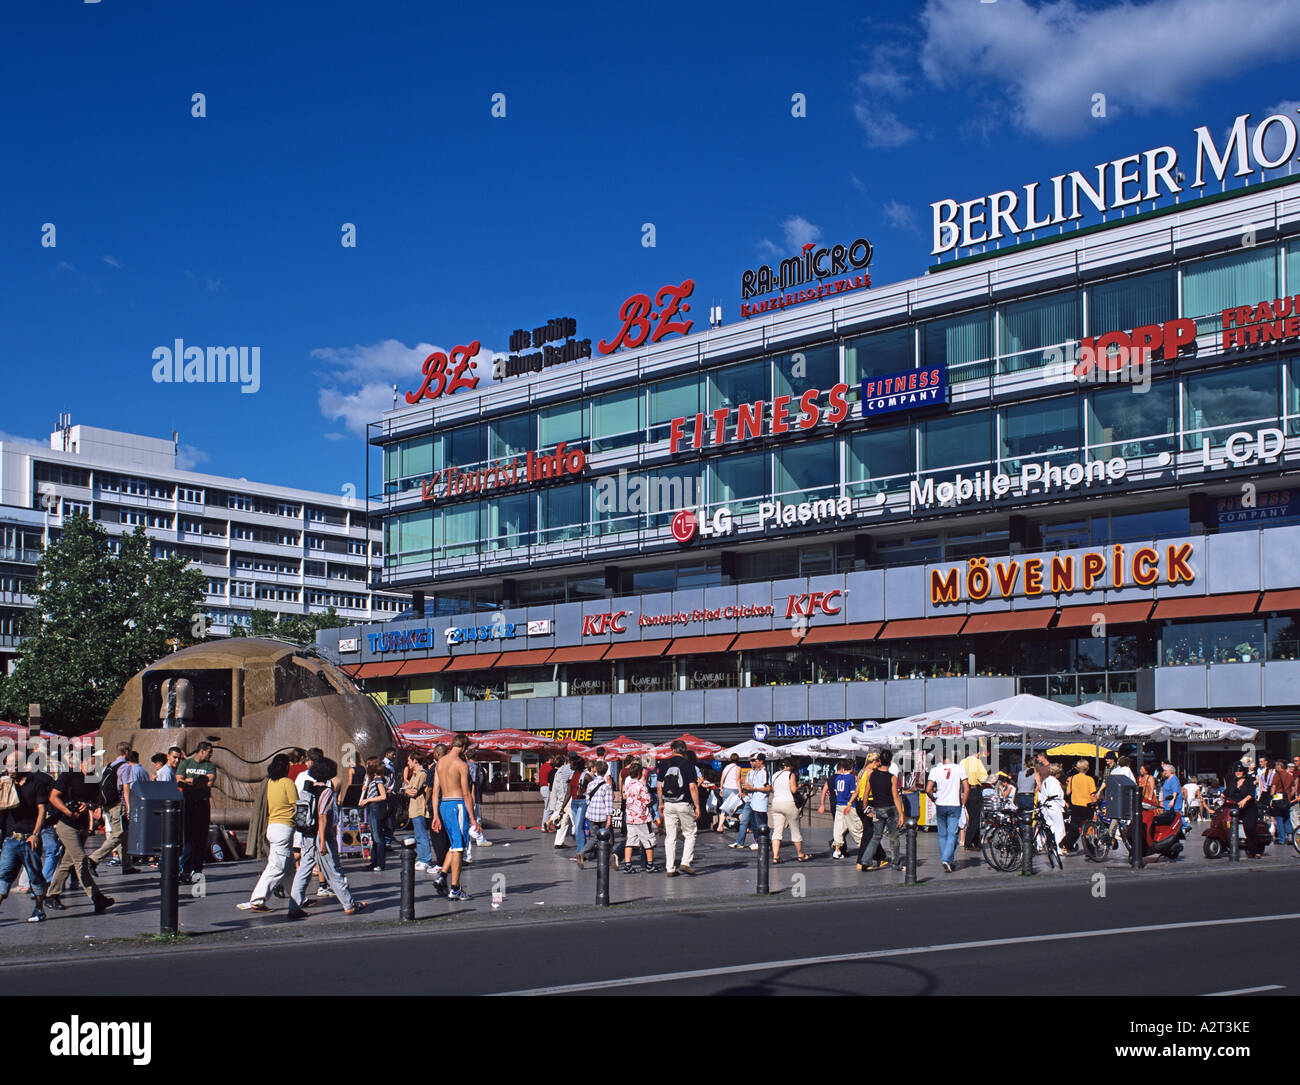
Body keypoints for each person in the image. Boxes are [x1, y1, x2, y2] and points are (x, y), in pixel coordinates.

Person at [289, 755, 366, 915]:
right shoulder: (326, 791)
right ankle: (349, 904)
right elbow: (323, 816)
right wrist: (323, 842)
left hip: (307, 834)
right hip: (321, 835)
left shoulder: (307, 788)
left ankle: (294, 905)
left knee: (304, 869)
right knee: (333, 869)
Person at [44, 750, 113, 915]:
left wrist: (93, 807)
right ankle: (97, 897)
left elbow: (96, 799)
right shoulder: (69, 775)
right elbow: (53, 797)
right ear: (84, 760)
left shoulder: (93, 778)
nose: (96, 762)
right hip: (66, 824)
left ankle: (52, 895)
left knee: (68, 863)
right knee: (81, 859)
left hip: (81, 826)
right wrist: (68, 812)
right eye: (93, 758)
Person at [238, 754, 299, 913]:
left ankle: (299, 898)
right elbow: (296, 807)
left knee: (289, 868)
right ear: (286, 767)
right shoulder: (288, 783)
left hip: (272, 827)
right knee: (276, 867)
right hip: (284, 828)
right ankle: (257, 900)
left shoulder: (270, 783)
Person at [430, 734, 482, 901]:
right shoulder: (461, 764)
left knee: (454, 843)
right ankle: (455, 888)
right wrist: (473, 819)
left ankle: (442, 876)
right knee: (459, 848)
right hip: (457, 804)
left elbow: (435, 791)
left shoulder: (440, 763)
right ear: (465, 748)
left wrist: (435, 815)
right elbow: (466, 793)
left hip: (444, 805)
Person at [0, 751, 50, 922]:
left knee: (35, 875)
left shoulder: (36, 783)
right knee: (4, 874)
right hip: (11, 838)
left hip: (29, 838)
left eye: (13, 765)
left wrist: (36, 834)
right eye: (7, 765)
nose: (9, 769)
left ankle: (39, 908)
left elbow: (42, 810)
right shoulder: (6, 783)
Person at [88, 742, 136, 875]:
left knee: (124, 834)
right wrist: (129, 808)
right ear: (126, 752)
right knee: (117, 835)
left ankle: (127, 865)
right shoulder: (125, 766)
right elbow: (126, 789)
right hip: (118, 805)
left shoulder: (110, 766)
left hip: (108, 805)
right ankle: (93, 859)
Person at [657, 739, 700, 875]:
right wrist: (697, 806)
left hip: (668, 804)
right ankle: (685, 862)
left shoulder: (664, 763)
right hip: (684, 803)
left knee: (670, 837)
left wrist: (660, 803)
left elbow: (659, 786)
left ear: (672, 750)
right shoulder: (689, 765)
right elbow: (692, 787)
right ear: (685, 751)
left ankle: (670, 868)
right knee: (690, 833)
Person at [859, 749, 905, 871]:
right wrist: (901, 814)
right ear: (890, 762)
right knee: (893, 837)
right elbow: (895, 796)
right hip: (890, 809)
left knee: (876, 836)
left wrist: (865, 807)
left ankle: (865, 860)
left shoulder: (871, 775)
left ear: (879, 761)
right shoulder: (892, 778)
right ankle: (895, 864)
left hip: (877, 809)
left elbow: (866, 793)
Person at [177, 742, 216, 883]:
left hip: (203, 803)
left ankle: (197, 868)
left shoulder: (210, 765)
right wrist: (197, 782)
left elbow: (209, 782)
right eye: (209, 752)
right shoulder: (186, 763)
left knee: (201, 837)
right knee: (188, 837)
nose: (211, 754)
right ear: (201, 751)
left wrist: (190, 782)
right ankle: (186, 869)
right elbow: (179, 781)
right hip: (188, 804)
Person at [926, 746, 968, 873]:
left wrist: (933, 799)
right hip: (955, 805)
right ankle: (946, 859)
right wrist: (963, 804)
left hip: (940, 804)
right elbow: (966, 789)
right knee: (952, 835)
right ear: (954, 756)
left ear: (940, 757)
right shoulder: (960, 769)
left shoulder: (935, 770)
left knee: (942, 835)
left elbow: (928, 789)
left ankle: (948, 860)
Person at [766, 757, 808, 863]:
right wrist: (799, 786)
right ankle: (800, 854)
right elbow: (793, 790)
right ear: (791, 766)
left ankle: (775, 857)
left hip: (776, 803)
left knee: (777, 831)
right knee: (795, 830)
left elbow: (773, 789)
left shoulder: (774, 775)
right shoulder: (791, 774)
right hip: (789, 803)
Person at [620, 762, 661, 873]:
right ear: (639, 773)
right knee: (648, 841)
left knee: (630, 841)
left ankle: (628, 864)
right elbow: (647, 800)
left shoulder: (628, 785)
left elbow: (625, 796)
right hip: (642, 817)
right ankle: (650, 864)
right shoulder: (640, 786)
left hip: (630, 817)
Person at [820, 759, 862, 859]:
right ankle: (863, 848)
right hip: (848, 805)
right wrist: (850, 802)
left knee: (838, 828)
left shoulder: (837, 778)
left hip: (838, 805)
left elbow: (836, 792)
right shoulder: (851, 778)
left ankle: (837, 850)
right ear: (851, 768)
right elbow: (853, 792)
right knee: (856, 828)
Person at [731, 754, 770, 850]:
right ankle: (758, 842)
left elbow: (768, 788)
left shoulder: (764, 772)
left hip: (760, 802)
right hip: (753, 801)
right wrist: (747, 789)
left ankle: (764, 843)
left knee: (761, 824)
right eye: (752, 760)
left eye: (755, 760)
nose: (753, 762)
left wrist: (753, 788)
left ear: (761, 761)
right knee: (754, 823)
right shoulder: (754, 772)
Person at [580, 760, 614, 870]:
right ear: (605, 771)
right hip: (603, 815)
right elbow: (608, 804)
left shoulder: (591, 783)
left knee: (594, 837)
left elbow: (587, 799)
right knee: (608, 839)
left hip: (591, 814)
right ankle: (606, 860)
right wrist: (609, 817)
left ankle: (582, 852)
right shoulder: (607, 786)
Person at [1223, 762, 1262, 859]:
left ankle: (1254, 851)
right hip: (1235, 807)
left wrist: (1244, 801)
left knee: (1248, 828)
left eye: (1240, 771)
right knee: (1225, 823)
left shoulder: (1249, 780)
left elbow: (1251, 793)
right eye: (1236, 771)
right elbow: (1226, 792)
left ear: (1243, 771)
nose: (1238, 772)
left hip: (1249, 808)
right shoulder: (1232, 781)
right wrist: (1221, 797)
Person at [404, 751, 434, 871]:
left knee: (421, 835)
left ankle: (425, 859)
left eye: (409, 760)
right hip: (414, 808)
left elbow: (413, 791)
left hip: (419, 808)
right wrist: (407, 790)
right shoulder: (415, 774)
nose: (408, 763)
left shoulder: (421, 774)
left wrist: (406, 790)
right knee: (418, 834)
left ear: (414, 761)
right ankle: (422, 858)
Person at [358, 756, 389, 872]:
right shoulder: (370, 779)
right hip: (370, 807)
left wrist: (368, 800)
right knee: (372, 834)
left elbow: (383, 796)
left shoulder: (378, 779)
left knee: (377, 835)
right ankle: (374, 861)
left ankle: (380, 862)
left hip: (376, 807)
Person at [1061, 759, 1097, 852]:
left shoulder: (1072, 779)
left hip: (1075, 806)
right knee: (1088, 827)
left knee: (1075, 827)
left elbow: (1068, 792)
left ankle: (1066, 843)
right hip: (1086, 806)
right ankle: (1090, 848)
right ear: (1087, 768)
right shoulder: (1090, 779)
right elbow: (1092, 794)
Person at [959, 745, 989, 852]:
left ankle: (976, 842)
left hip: (965, 791)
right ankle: (968, 843)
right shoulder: (977, 762)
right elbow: (983, 777)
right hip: (975, 790)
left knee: (971, 817)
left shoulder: (962, 762)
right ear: (977, 754)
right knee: (975, 819)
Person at [1036, 762, 1067, 850]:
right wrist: (1064, 804)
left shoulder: (1046, 780)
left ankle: (1041, 845)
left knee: (1049, 825)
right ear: (1057, 773)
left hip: (1045, 806)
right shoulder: (1055, 782)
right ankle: (1060, 848)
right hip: (1054, 806)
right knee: (1059, 828)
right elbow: (1056, 796)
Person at [718, 754, 742, 834]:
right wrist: (740, 791)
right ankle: (744, 827)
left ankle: (720, 826)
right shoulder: (738, 768)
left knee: (725, 808)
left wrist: (721, 789)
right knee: (739, 808)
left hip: (725, 789)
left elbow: (722, 779)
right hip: (734, 789)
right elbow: (738, 780)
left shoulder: (726, 767)